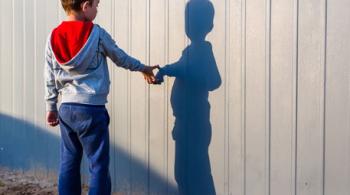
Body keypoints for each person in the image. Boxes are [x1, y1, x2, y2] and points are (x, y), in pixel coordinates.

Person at [44, 0, 158, 194]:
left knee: (68, 163)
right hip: (91, 110)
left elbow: (49, 75)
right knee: (98, 165)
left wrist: (51, 107)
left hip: (66, 109)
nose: (97, 9)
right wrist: (143, 68)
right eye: (96, 5)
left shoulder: (53, 36)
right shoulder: (97, 34)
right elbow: (120, 58)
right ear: (85, 5)